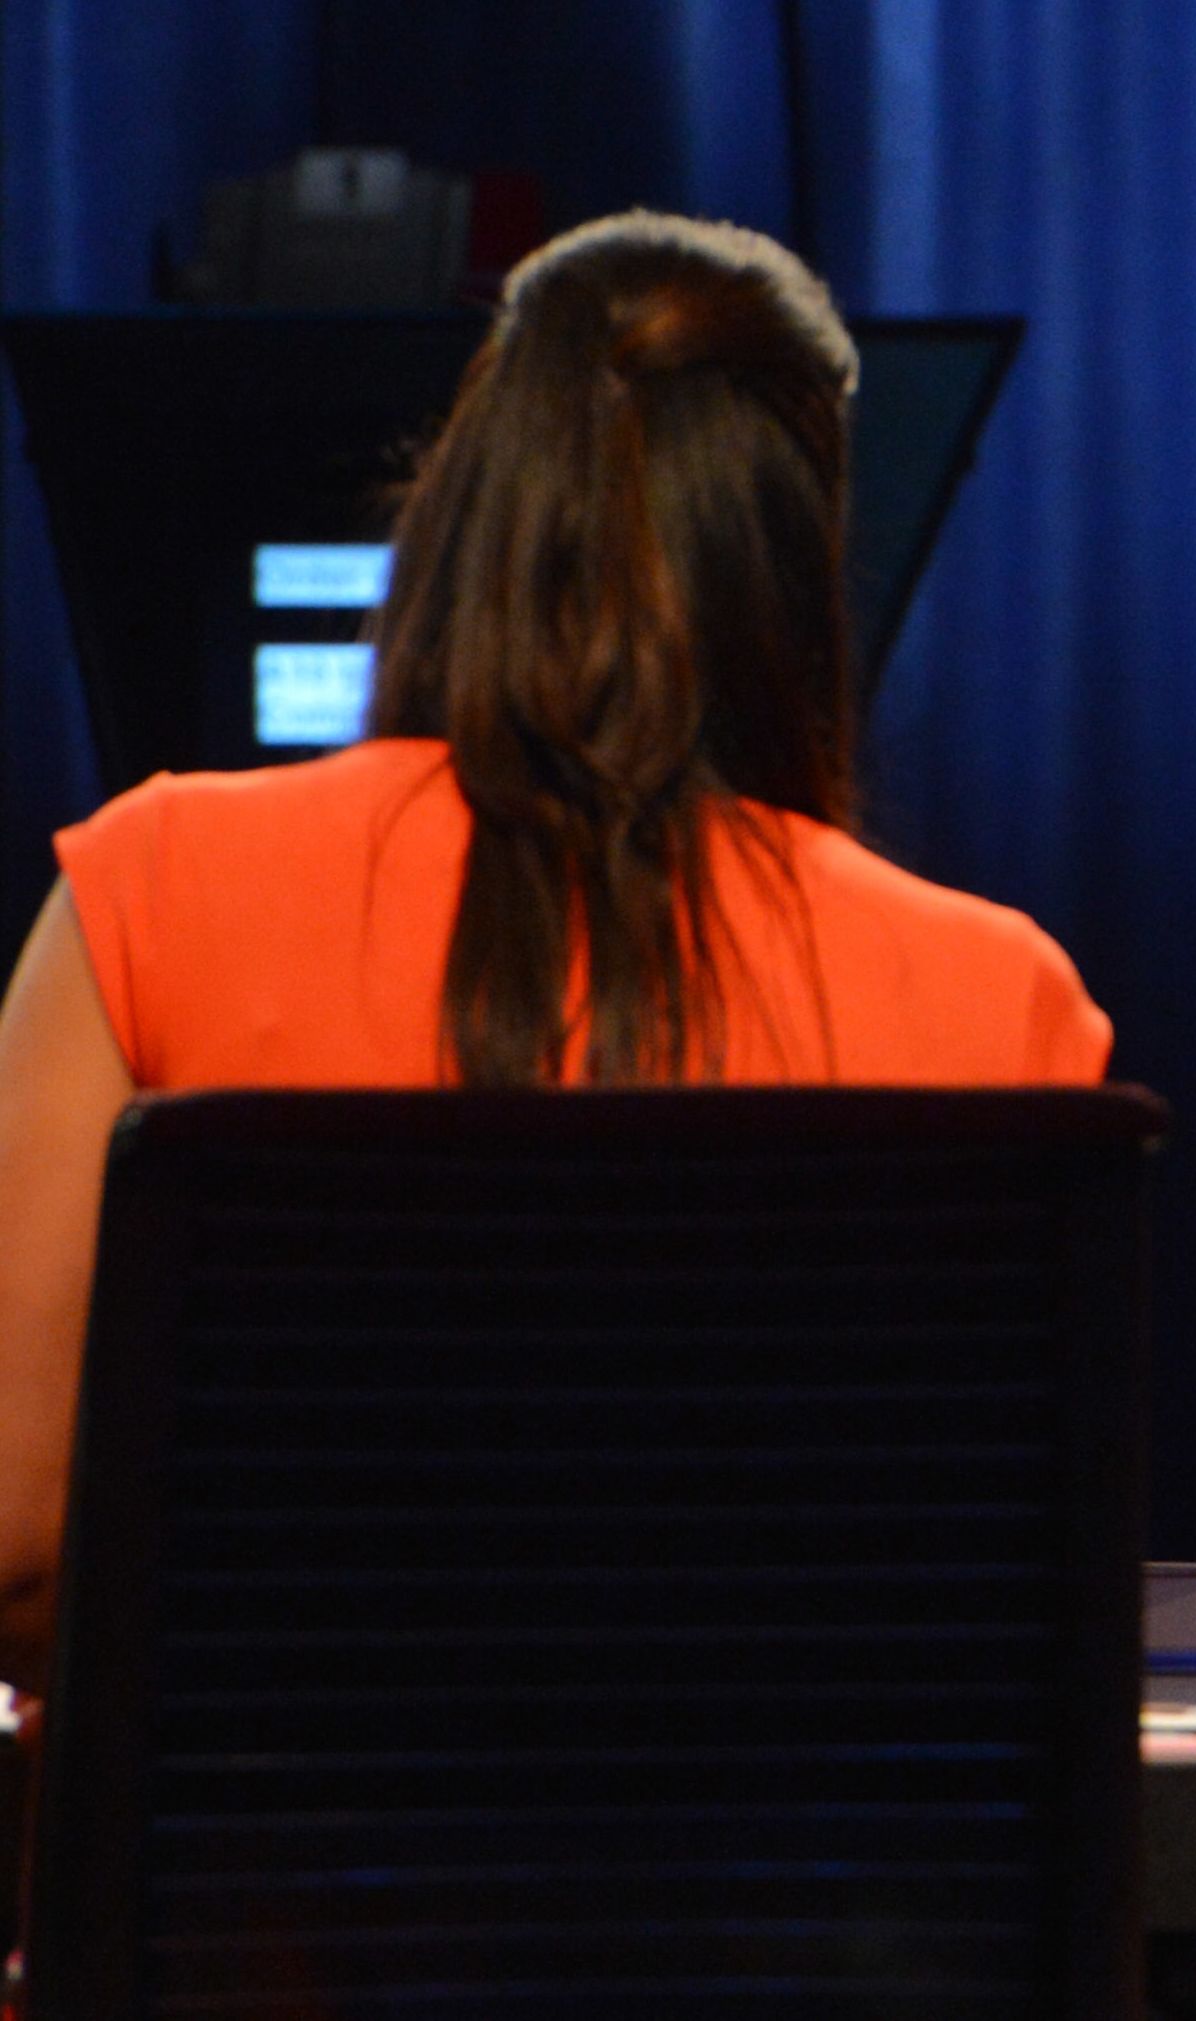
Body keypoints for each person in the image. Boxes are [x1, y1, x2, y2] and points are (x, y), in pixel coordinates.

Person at [0, 212, 1112, 1680]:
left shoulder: (148, 888)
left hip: (260, 1897)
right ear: (797, 569)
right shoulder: (1000, 998)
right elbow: (1006, 1602)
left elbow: (17, 1542)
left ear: (465, 508)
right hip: (797, 1901)